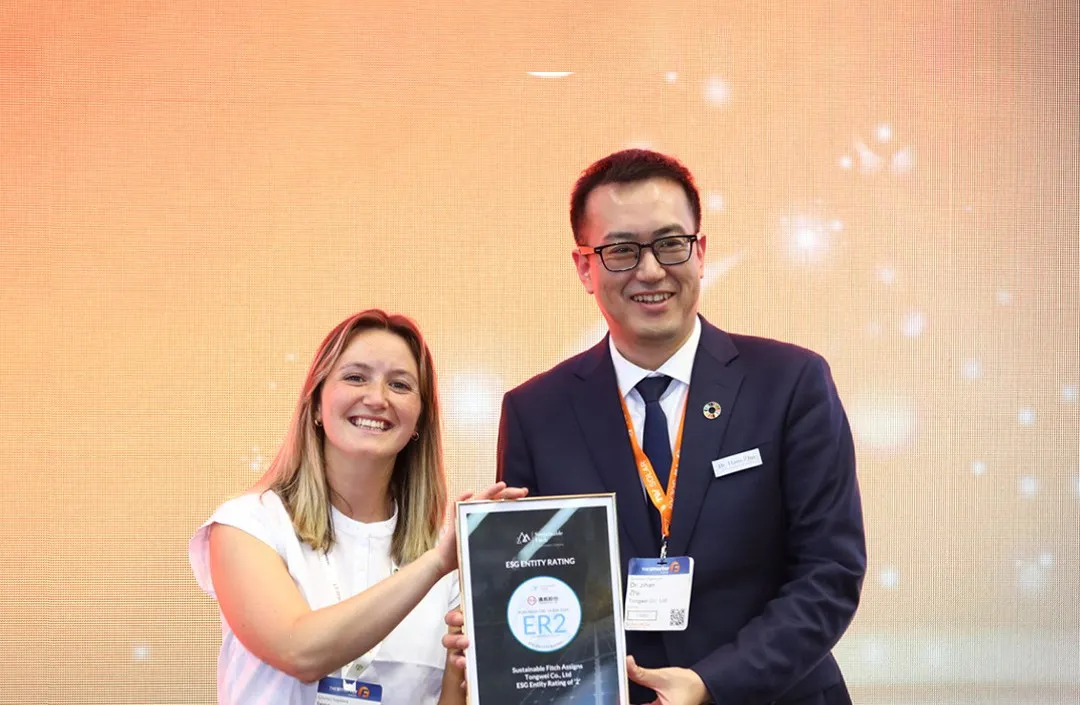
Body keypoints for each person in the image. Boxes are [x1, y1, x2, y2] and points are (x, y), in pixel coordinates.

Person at [445, 149, 866, 704]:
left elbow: (829, 572)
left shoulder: (790, 383)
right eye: (621, 250)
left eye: (670, 244)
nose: (650, 270)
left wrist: (711, 684)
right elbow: (537, 581)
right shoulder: (536, 411)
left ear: (701, 251)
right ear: (585, 268)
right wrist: (495, 623)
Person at [189, 309, 526, 705]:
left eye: (399, 385)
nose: (377, 398)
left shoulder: (448, 551)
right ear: (317, 404)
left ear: (419, 420)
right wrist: (436, 564)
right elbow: (299, 652)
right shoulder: (248, 525)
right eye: (355, 377)